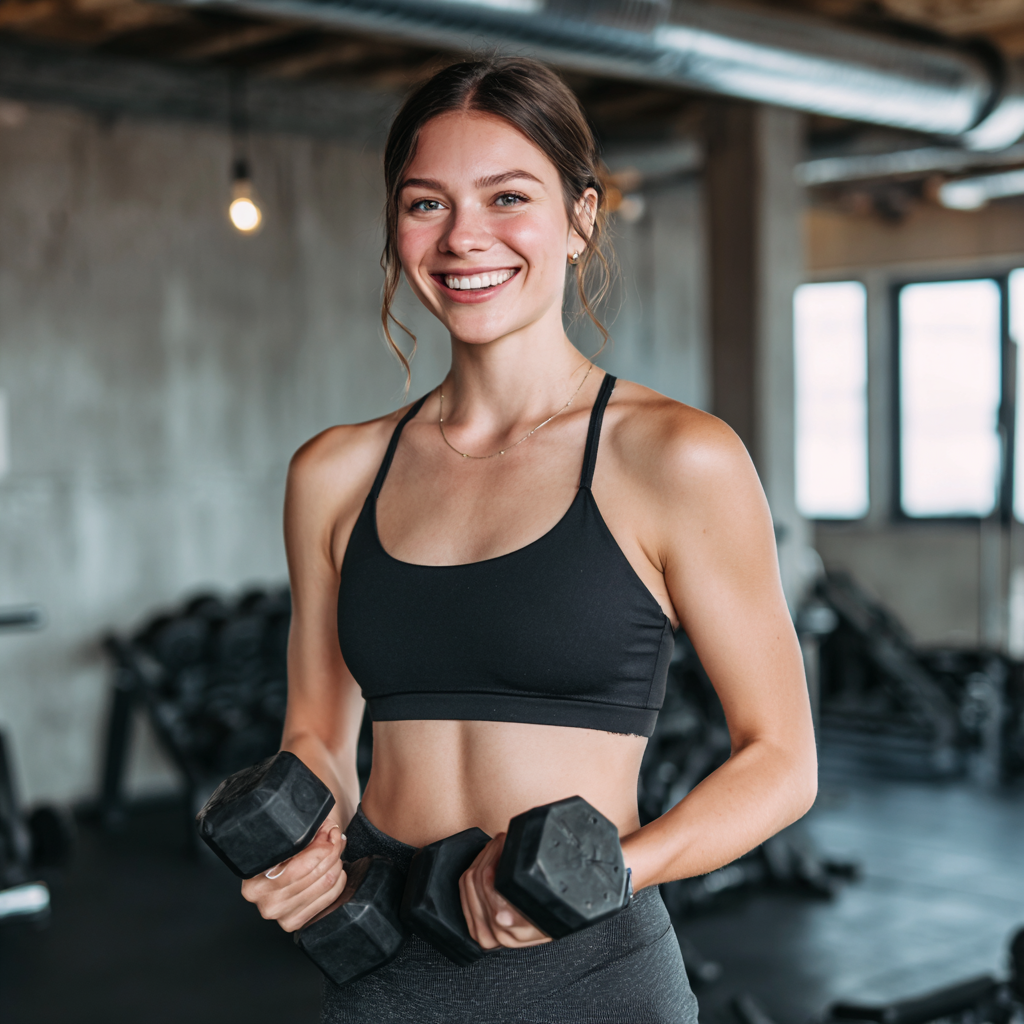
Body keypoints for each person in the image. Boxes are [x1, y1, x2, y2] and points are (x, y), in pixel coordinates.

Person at [241, 56, 817, 1023]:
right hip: (381, 964)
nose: (466, 237)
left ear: (581, 217)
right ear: (396, 224)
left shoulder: (675, 457)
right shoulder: (333, 474)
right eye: (427, 204)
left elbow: (781, 760)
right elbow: (319, 737)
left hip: (593, 971)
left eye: (508, 196)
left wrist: (613, 871)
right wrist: (305, 847)